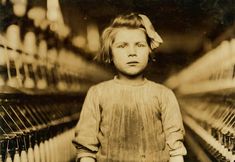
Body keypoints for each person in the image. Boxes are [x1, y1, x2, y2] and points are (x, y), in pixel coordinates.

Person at [72, 13, 187, 162]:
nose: (132, 53)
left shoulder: (164, 95)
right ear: (110, 52)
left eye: (139, 45)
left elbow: (176, 153)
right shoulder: (97, 93)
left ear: (149, 50)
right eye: (122, 46)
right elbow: (86, 151)